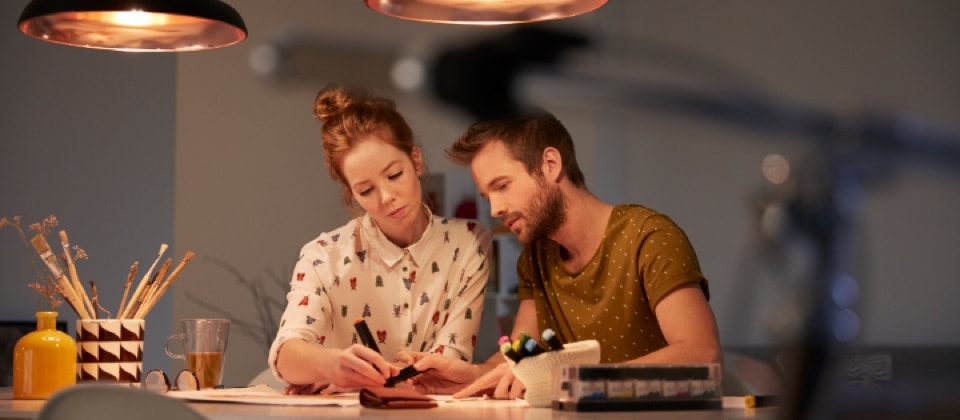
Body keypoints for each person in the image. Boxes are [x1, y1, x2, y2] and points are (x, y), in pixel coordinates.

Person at [399, 109, 721, 399]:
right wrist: (472, 375)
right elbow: (519, 361)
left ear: (550, 165)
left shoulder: (649, 238)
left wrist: (568, 380)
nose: (494, 209)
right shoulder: (535, 258)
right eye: (487, 195)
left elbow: (702, 354)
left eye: (502, 186)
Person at [268, 84, 492, 394]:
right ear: (352, 194)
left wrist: (360, 378)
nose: (387, 198)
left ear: (415, 160)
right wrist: (330, 365)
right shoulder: (323, 255)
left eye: (394, 175)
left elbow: (447, 364)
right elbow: (285, 354)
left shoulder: (468, 243)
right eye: (366, 190)